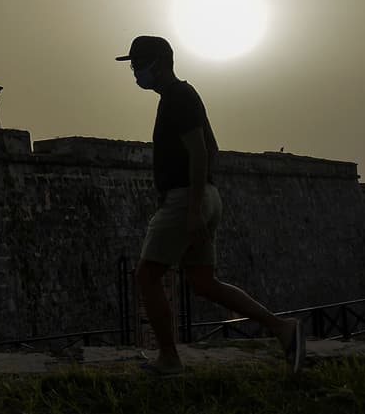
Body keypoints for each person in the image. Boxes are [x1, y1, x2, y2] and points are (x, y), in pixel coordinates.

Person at [116, 35, 305, 375]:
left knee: (147, 276)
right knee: (203, 282)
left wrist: (191, 208)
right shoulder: (182, 96)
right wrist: (202, 195)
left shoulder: (177, 97)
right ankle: (281, 328)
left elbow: (200, 152)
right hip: (202, 196)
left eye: (138, 64)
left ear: (158, 63)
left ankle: (169, 358)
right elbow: (212, 147)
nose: (134, 72)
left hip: (186, 199)